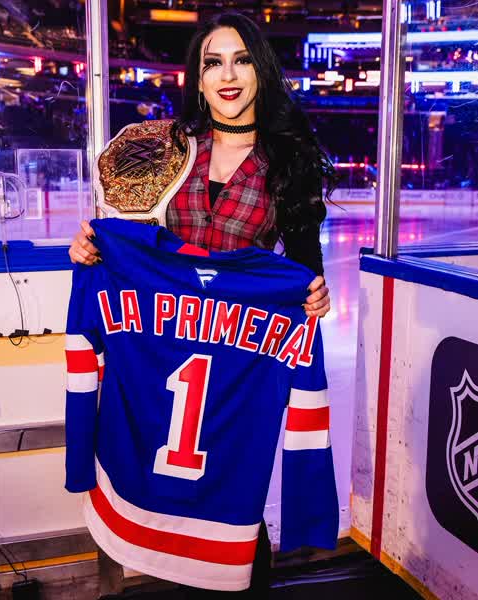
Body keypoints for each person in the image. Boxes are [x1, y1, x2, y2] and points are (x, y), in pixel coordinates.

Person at [69, 11, 338, 598]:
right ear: (197, 76)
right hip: (162, 348)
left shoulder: (288, 159)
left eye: (242, 60)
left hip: (238, 357)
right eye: (214, 62)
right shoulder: (167, 148)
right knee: (148, 476)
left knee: (236, 498)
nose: (228, 75)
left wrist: (314, 291)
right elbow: (128, 240)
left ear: (261, 70)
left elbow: (303, 264)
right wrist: (90, 245)